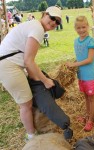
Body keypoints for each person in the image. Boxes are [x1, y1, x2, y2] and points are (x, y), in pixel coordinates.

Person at [0, 6, 62, 141]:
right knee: (26, 104)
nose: (53, 23)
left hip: (9, 63)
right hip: (8, 65)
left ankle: (33, 130)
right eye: (52, 18)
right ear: (45, 14)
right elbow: (29, 61)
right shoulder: (38, 29)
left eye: (57, 22)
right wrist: (45, 81)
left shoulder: (34, 26)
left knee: (26, 102)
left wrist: (35, 76)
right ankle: (31, 137)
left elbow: (28, 60)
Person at [66, 16, 94, 131]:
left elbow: (89, 59)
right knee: (86, 97)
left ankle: (91, 119)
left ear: (88, 27)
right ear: (75, 29)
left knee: (91, 98)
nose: (81, 30)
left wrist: (74, 65)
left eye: (84, 27)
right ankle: (87, 115)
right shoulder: (76, 41)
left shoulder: (91, 41)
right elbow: (80, 57)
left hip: (90, 75)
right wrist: (72, 65)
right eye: (78, 28)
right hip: (82, 75)